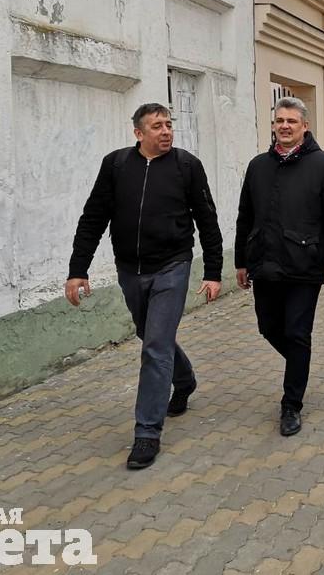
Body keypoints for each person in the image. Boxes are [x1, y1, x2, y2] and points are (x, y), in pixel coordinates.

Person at [66, 103, 224, 470]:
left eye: (169, 124)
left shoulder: (187, 166)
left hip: (173, 266)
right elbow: (93, 217)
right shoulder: (116, 165)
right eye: (157, 126)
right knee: (150, 335)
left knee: (155, 346)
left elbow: (207, 220)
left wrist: (213, 272)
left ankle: (147, 432)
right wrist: (78, 269)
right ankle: (184, 380)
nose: (166, 131)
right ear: (139, 133)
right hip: (130, 270)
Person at [235, 97, 324, 437]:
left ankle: (291, 404)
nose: (285, 126)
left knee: (298, 334)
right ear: (274, 125)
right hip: (265, 263)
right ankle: (300, 363)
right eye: (280, 120)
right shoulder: (258, 165)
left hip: (305, 265)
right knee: (269, 327)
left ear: (305, 126)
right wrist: (241, 260)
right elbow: (245, 216)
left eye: (292, 121)